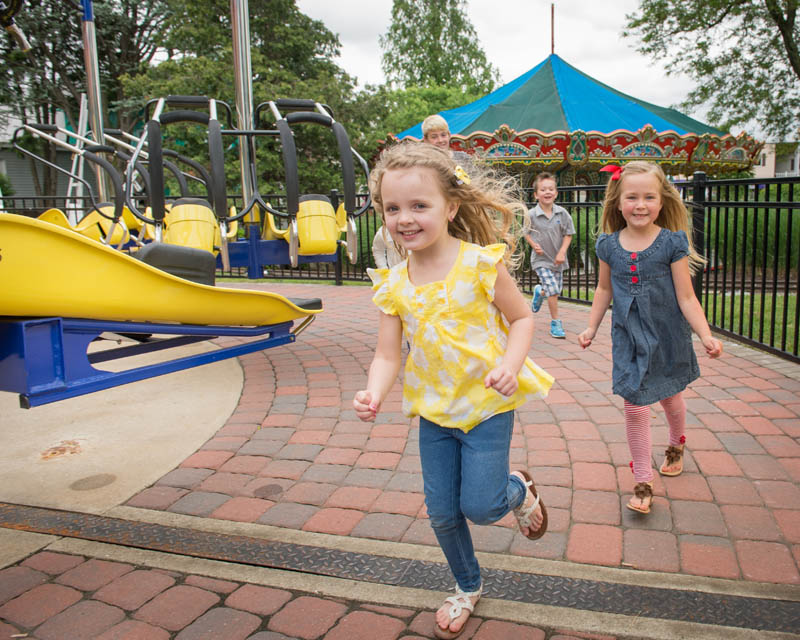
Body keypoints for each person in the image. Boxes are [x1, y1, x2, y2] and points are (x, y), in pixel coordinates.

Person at [353, 141, 553, 639]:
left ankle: (518, 490)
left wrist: (511, 364)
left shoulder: (480, 264)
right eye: (392, 208)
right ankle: (467, 585)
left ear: (451, 207)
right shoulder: (393, 283)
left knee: (482, 507)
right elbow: (386, 354)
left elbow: (523, 318)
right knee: (442, 513)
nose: (405, 218)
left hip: (487, 407)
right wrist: (373, 392)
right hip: (435, 416)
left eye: (419, 205)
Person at [577, 161, 723, 514]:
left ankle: (676, 443)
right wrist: (592, 326)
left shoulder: (671, 243)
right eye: (632, 197)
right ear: (617, 201)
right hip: (628, 338)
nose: (640, 205)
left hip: (667, 335)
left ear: (661, 202)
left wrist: (704, 334)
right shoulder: (608, 245)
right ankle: (642, 479)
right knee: (634, 404)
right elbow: (602, 289)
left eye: (648, 197)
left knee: (670, 397)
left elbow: (687, 297)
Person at [525, 172, 575, 339]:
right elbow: (526, 233)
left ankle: (540, 292)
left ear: (556, 192)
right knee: (553, 291)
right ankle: (555, 323)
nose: (547, 192)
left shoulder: (562, 213)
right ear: (536, 194)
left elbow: (569, 234)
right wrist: (534, 245)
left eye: (551, 189)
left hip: (558, 260)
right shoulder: (531, 214)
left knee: (554, 290)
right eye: (543, 189)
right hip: (541, 260)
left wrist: (562, 252)